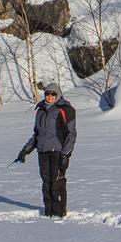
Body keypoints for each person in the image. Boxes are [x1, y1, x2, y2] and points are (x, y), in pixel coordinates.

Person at [14, 83, 77, 217]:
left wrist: (66, 154)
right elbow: (37, 134)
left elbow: (71, 134)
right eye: (47, 93)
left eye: (53, 94)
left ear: (58, 95)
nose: (49, 96)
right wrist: (25, 150)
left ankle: (59, 213)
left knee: (56, 182)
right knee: (46, 182)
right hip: (43, 151)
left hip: (58, 151)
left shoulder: (65, 109)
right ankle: (48, 212)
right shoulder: (41, 110)